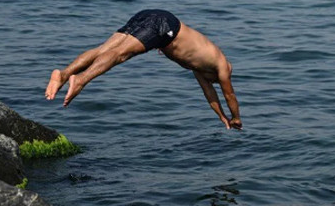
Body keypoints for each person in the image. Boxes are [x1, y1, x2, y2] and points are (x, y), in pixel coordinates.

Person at [45, 9, 242, 130]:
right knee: (121, 54)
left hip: (152, 15)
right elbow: (229, 95)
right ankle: (80, 80)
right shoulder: (222, 65)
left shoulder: (200, 67)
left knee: (104, 49)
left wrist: (222, 118)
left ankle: (63, 75)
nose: (216, 82)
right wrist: (236, 118)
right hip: (164, 26)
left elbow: (210, 95)